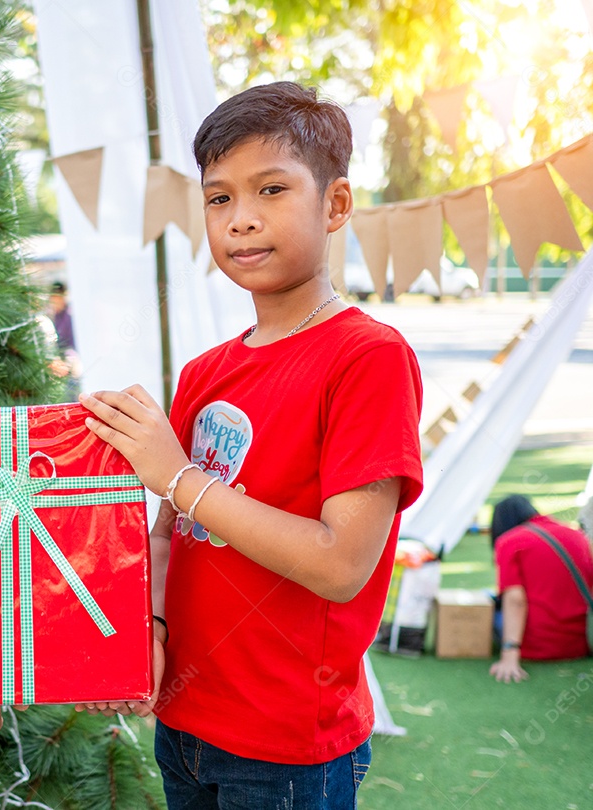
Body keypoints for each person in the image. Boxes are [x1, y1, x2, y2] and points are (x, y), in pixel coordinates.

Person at [79, 81, 424, 808]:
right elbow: (172, 533)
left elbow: (340, 564)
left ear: (335, 205)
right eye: (219, 198)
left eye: (271, 189)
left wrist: (179, 479)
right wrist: (151, 626)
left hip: (287, 746)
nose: (241, 220)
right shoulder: (207, 372)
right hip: (183, 722)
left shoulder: (368, 356)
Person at [488, 494, 593, 683]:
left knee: (485, 604)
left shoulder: (510, 541)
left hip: (538, 646)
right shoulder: (577, 536)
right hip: (580, 643)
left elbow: (515, 600)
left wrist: (510, 653)